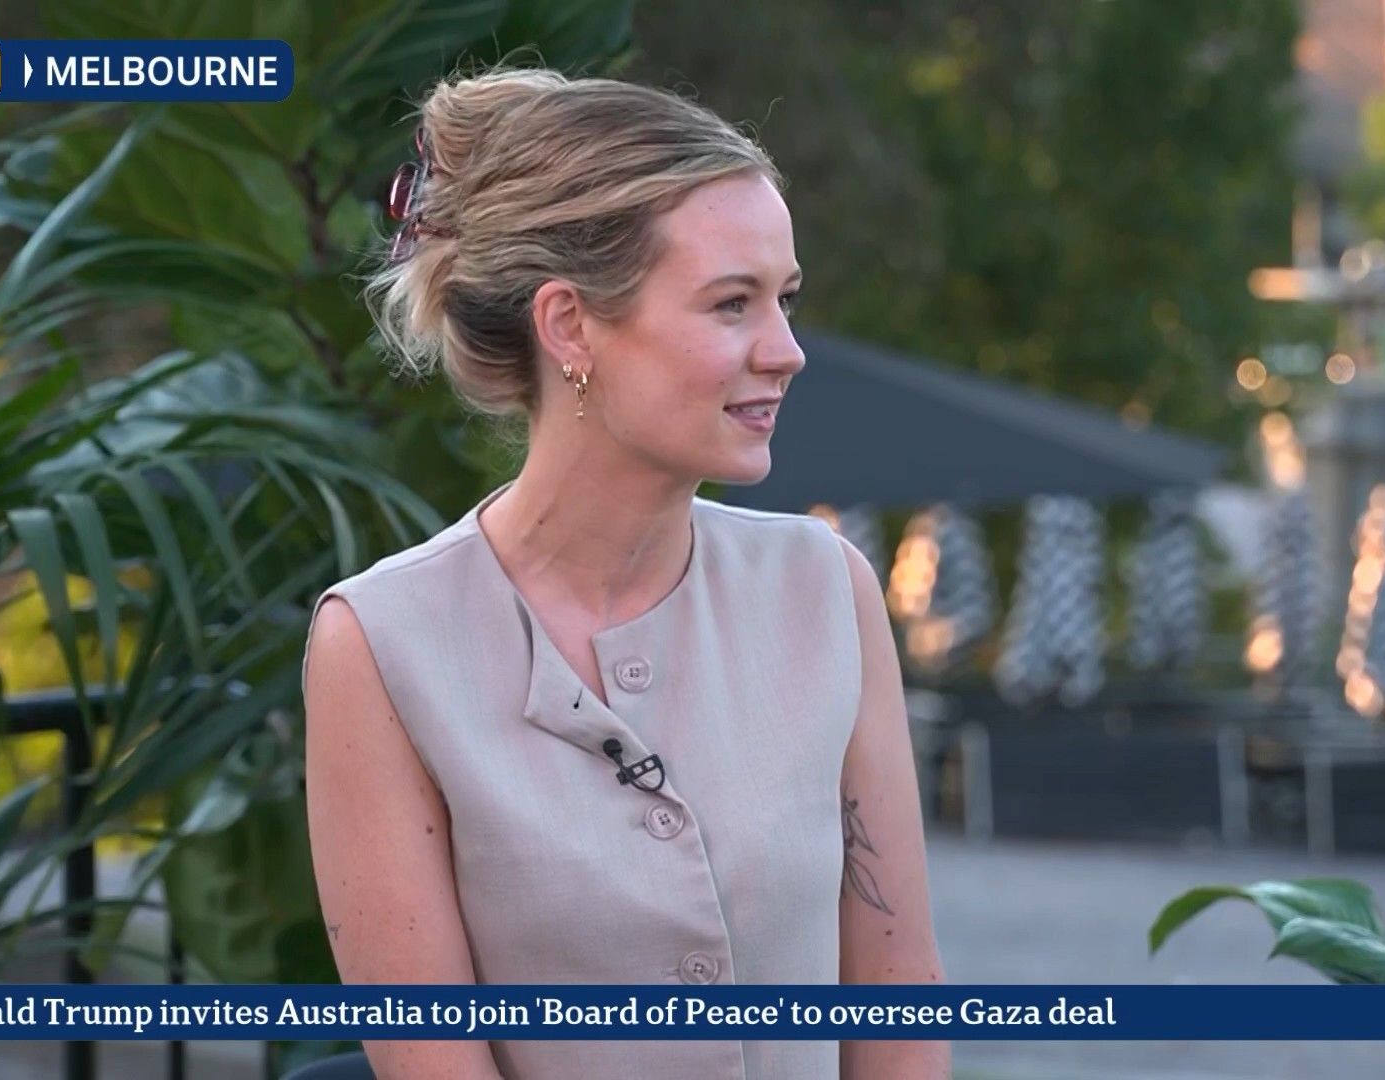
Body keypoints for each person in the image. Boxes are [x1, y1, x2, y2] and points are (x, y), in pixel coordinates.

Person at [300, 66, 948, 1079]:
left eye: (784, 300)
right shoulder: (383, 645)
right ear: (570, 326)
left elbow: (898, 1012)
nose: (786, 351)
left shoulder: (825, 590)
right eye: (731, 304)